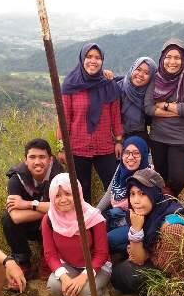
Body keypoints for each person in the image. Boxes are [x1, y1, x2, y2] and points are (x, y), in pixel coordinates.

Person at [110, 168, 184, 294]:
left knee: (123, 275)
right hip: (158, 256)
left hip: (178, 276)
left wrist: (145, 253)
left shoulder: (172, 228)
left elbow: (166, 267)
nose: (136, 201)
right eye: (132, 194)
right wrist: (137, 239)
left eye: (142, 193)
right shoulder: (149, 213)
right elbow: (137, 254)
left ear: (154, 193)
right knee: (117, 256)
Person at [58, 43, 123, 203]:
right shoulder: (70, 85)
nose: (93, 61)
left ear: (102, 61)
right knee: (81, 189)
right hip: (77, 147)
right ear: (82, 59)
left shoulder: (109, 84)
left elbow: (115, 116)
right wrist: (61, 147)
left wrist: (119, 141)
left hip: (105, 145)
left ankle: (114, 219)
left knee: (113, 187)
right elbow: (64, 118)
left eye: (98, 58)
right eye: (89, 57)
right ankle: (86, 225)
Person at [42, 173, 111, 296]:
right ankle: (82, 293)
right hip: (69, 265)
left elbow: (102, 254)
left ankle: (97, 292)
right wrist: (64, 278)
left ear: (77, 193)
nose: (63, 200)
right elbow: (50, 254)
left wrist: (83, 277)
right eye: (57, 195)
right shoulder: (49, 219)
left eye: (68, 194)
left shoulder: (93, 218)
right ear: (51, 197)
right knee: (53, 287)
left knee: (86, 294)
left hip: (97, 266)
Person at [144, 39, 184, 196]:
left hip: (183, 139)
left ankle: (169, 199)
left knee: (179, 179)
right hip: (158, 138)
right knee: (161, 179)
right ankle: (165, 205)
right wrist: (178, 110)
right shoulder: (155, 79)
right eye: (169, 57)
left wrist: (164, 105)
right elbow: (148, 107)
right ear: (162, 58)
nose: (172, 61)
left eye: (177, 57)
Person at [2, 138, 63, 278]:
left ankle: (49, 258)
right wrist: (49, 208)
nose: (37, 162)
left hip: (50, 223)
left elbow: (62, 207)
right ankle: (22, 261)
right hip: (27, 225)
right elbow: (16, 217)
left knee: (56, 216)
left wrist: (28, 204)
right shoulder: (16, 178)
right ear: (25, 160)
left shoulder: (58, 175)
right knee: (7, 219)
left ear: (50, 159)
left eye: (42, 157)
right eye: (32, 157)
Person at [96, 136, 151, 254]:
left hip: (137, 223)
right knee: (94, 231)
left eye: (136, 153)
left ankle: (140, 251)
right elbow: (109, 193)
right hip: (118, 216)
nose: (130, 157)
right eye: (127, 153)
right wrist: (94, 213)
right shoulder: (121, 169)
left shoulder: (147, 176)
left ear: (144, 155)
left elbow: (144, 212)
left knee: (106, 240)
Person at [117, 57, 158, 145]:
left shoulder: (152, 95)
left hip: (139, 140)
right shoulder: (117, 88)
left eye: (146, 73)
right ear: (133, 69)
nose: (140, 74)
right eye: (138, 69)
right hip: (116, 139)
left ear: (152, 77)